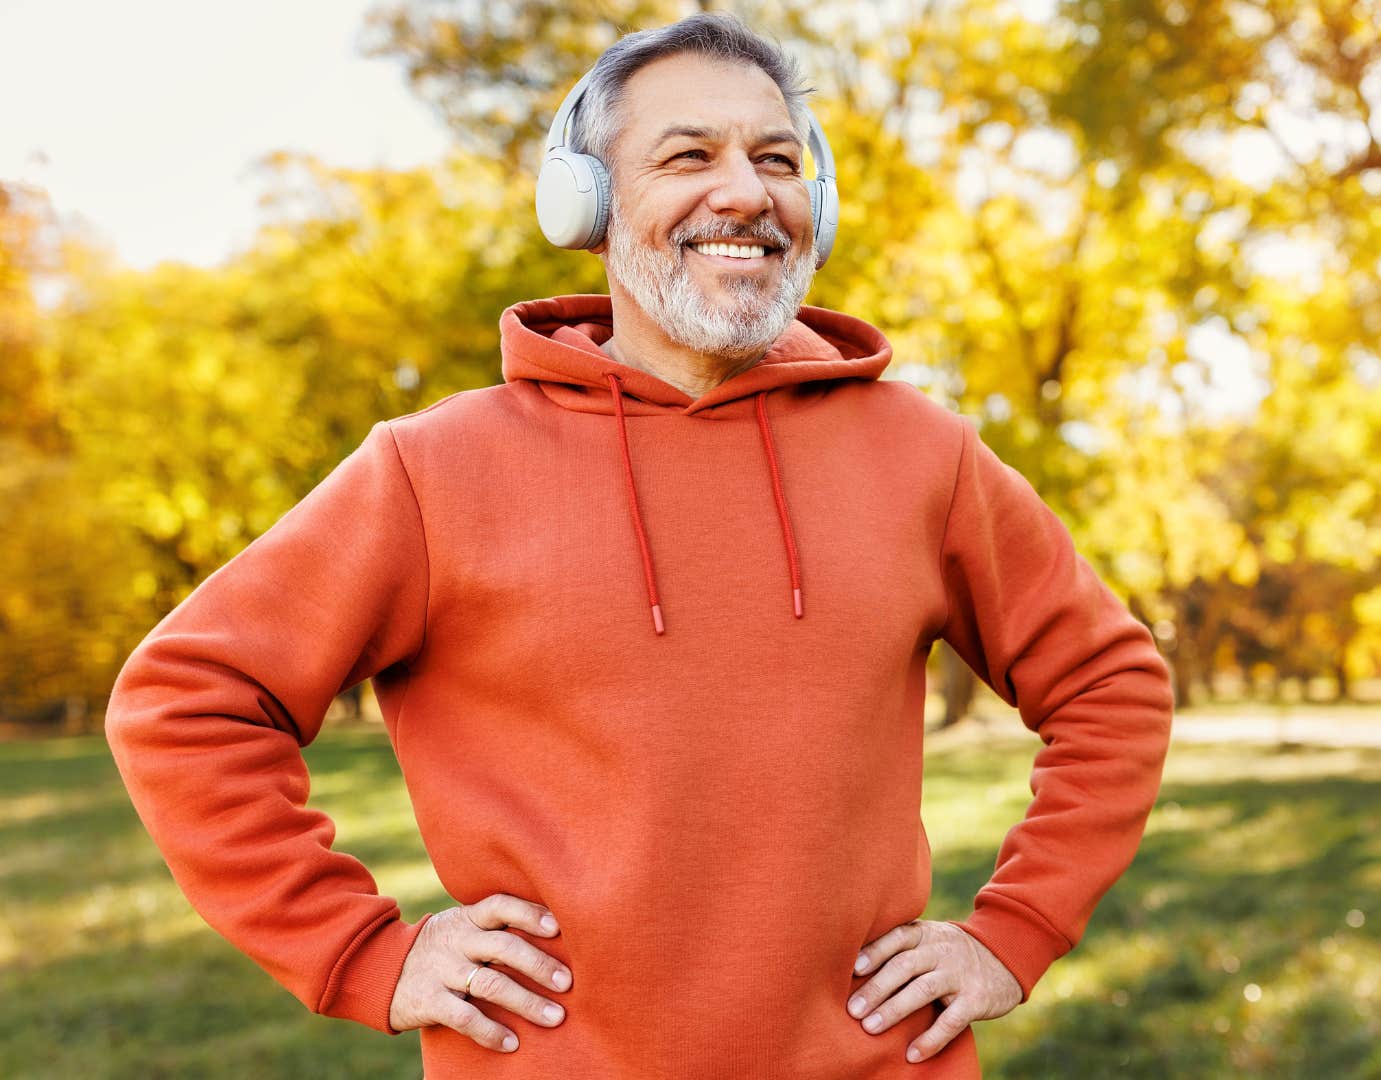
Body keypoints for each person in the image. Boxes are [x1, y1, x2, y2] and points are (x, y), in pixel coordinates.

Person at [103, 12, 1173, 1078]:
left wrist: (1012, 931)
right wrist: (361, 951)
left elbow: (1112, 684)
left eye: (777, 160)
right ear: (590, 203)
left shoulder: (924, 455)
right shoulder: (431, 471)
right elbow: (184, 705)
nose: (746, 193)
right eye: (689, 156)